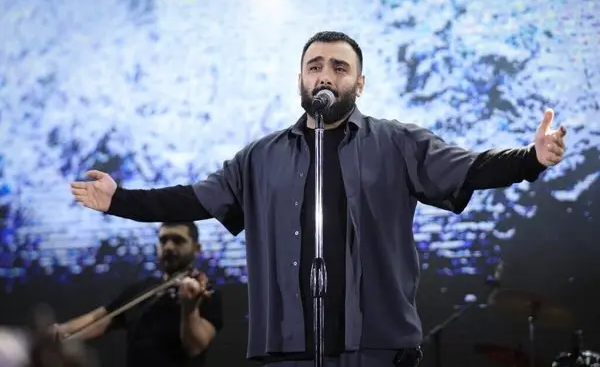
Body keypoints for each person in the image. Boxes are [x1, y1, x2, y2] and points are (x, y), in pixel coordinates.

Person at [69, 31, 567, 367]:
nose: (325, 75)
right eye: (315, 66)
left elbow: (470, 167)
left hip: (377, 347)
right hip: (289, 348)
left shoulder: (397, 143)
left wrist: (531, 158)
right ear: (301, 80)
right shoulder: (260, 157)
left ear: (360, 83)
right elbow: (194, 200)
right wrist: (119, 200)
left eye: (339, 67)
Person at [52, 222, 223, 367]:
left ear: (197, 248)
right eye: (163, 240)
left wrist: (189, 309)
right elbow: (101, 319)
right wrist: (60, 332)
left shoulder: (207, 292)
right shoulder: (143, 288)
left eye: (178, 240)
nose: (169, 247)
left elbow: (195, 346)